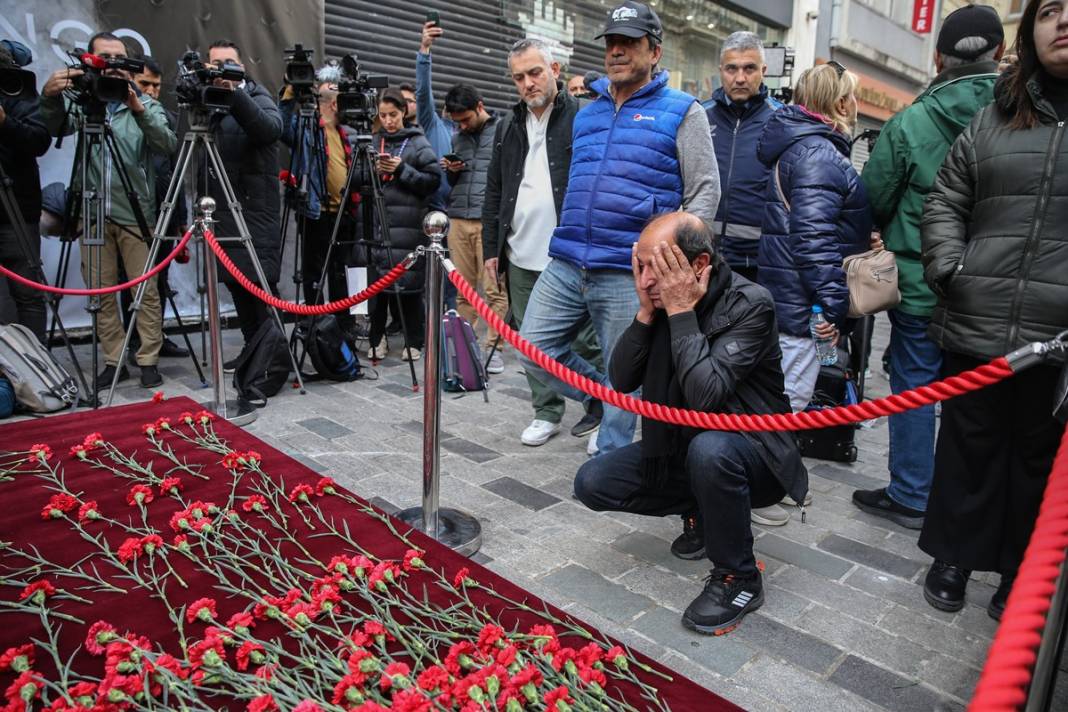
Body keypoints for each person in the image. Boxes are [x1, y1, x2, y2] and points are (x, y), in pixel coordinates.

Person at [574, 212, 806, 635]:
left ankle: (739, 577)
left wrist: (681, 310)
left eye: (657, 268)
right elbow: (623, 380)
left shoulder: (750, 303)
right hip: (684, 447)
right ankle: (700, 507)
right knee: (593, 482)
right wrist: (646, 314)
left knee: (711, 449)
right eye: (640, 265)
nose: (645, 280)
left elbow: (705, 397)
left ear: (698, 266)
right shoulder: (658, 299)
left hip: (754, 452)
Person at [918, 0, 1068, 621]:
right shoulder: (995, 117)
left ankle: (1018, 574)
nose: (1064, 21)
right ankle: (953, 557)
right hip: (977, 322)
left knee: (1039, 462)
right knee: (965, 448)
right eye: (1051, 10)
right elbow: (946, 199)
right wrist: (951, 268)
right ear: (1029, 28)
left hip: (1057, 336)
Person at [518, 1, 721, 457]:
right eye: (611, 43)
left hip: (631, 271)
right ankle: (599, 398)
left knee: (625, 371)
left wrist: (679, 264)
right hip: (569, 259)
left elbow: (705, 192)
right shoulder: (586, 113)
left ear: (656, 52)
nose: (617, 51)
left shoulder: (683, 111)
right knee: (531, 347)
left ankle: (610, 457)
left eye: (629, 43)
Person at [854, 5, 1004, 530]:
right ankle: (968, 504)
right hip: (997, 292)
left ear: (937, 58)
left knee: (914, 388)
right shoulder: (1024, 117)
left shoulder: (912, 120)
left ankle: (913, 493)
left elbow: (872, 196)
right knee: (979, 400)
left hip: (920, 285)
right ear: (1001, 54)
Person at [482, 39, 605, 447]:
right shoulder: (507, 124)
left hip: (571, 255)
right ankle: (547, 411)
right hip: (519, 253)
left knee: (588, 341)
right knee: (527, 343)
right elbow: (495, 190)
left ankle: (602, 411)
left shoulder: (585, 117)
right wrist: (490, 251)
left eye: (535, 72)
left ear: (555, 68)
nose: (528, 83)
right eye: (519, 77)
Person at [40, 31, 176, 389]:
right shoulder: (84, 102)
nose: (114, 67)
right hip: (93, 210)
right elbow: (55, 127)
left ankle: (147, 358)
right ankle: (114, 359)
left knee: (144, 290)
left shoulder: (144, 103)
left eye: (120, 59)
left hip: (135, 211)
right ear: (90, 61)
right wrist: (50, 98)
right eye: (106, 59)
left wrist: (138, 107)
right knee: (99, 292)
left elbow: (165, 143)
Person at [756, 63, 872, 415]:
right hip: (805, 311)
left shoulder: (805, 148)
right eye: (850, 95)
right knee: (786, 409)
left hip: (797, 305)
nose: (854, 102)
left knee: (786, 402)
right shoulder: (818, 155)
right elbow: (814, 240)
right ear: (839, 103)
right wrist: (835, 307)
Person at [200, 40, 283, 367]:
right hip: (221, 209)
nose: (221, 70)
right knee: (235, 284)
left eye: (228, 63)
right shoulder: (209, 104)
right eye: (215, 64)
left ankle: (272, 360)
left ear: (242, 67)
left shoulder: (257, 95)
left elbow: (270, 129)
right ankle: (253, 352)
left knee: (260, 287)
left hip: (254, 211)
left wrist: (234, 93)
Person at [360, 88, 441, 361]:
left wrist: (401, 170)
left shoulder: (418, 143)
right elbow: (356, 181)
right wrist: (370, 170)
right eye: (383, 115)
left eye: (393, 114)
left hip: (407, 225)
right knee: (376, 288)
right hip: (377, 224)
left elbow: (433, 182)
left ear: (403, 112)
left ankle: (414, 341)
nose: (388, 121)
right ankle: (377, 339)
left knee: (409, 286)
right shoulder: (373, 141)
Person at [435, 83, 509, 372]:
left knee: (494, 289)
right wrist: (452, 172)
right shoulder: (458, 137)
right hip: (458, 218)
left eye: (466, 119)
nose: (462, 126)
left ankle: (494, 348)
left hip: (489, 221)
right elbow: (455, 184)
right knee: (463, 291)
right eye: (457, 122)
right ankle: (465, 347)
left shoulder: (503, 131)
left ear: (480, 106)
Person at [121, 56, 190, 361]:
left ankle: (156, 337)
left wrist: (181, 219)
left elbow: (177, 173)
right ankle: (130, 340)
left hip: (163, 212)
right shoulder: (121, 117)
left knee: (159, 280)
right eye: (144, 83)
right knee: (129, 281)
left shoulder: (167, 119)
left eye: (156, 86)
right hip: (129, 212)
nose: (150, 91)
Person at [280, 76, 356, 336]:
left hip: (343, 213)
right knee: (314, 272)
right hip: (316, 213)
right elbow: (283, 129)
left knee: (340, 273)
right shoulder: (307, 128)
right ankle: (318, 325)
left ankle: (344, 325)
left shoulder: (346, 132)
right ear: (334, 104)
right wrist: (290, 94)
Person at [705, 32, 782, 283]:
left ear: (764, 70)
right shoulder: (699, 116)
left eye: (750, 68)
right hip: (703, 257)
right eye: (731, 69)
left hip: (761, 264)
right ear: (720, 70)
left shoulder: (783, 121)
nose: (740, 78)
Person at [0, 41, 50, 343]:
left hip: (16, 211)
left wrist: (5, 122)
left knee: (28, 293)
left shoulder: (17, 91)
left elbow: (39, 140)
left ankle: (37, 368)